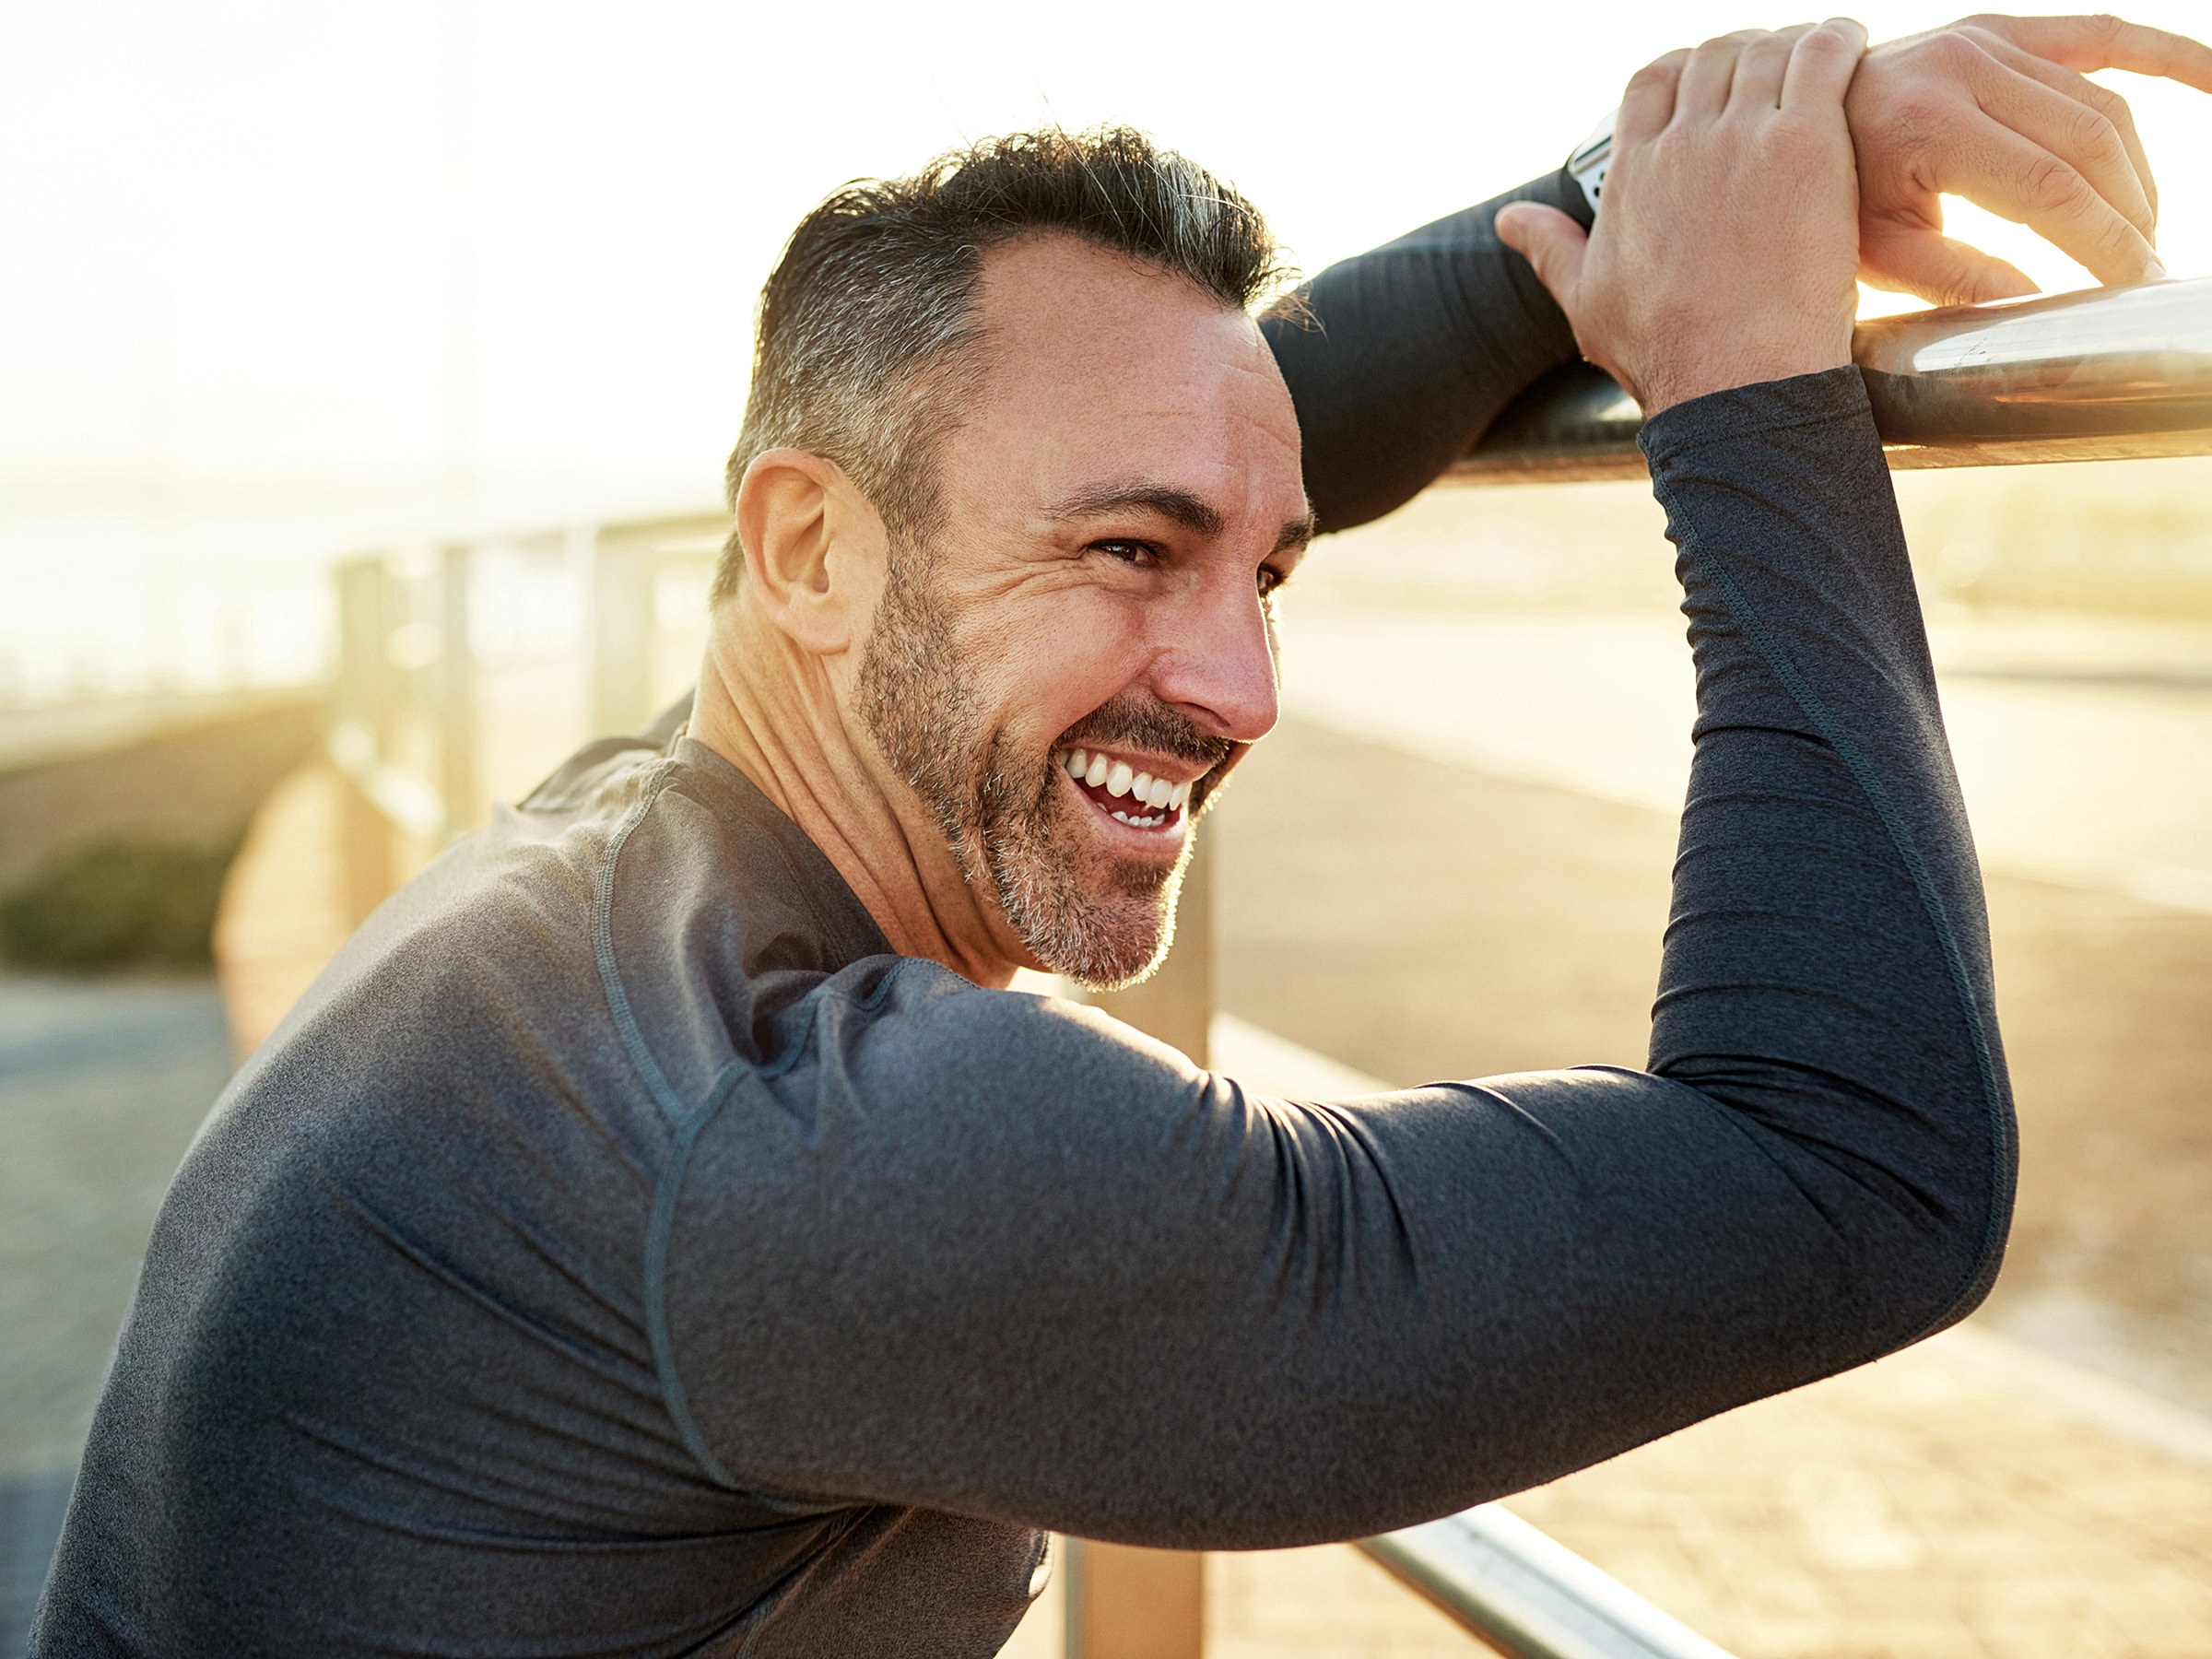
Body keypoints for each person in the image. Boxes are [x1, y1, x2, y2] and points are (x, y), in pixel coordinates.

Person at [32, 12, 2212, 1657]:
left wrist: (1679, 178)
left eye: (1261, 571)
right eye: (1131, 555)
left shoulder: (613, 870)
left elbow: (1193, 422)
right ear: (807, 546)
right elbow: (1856, 1164)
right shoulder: (823, 1156)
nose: (1245, 684)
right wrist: (1748, 392)